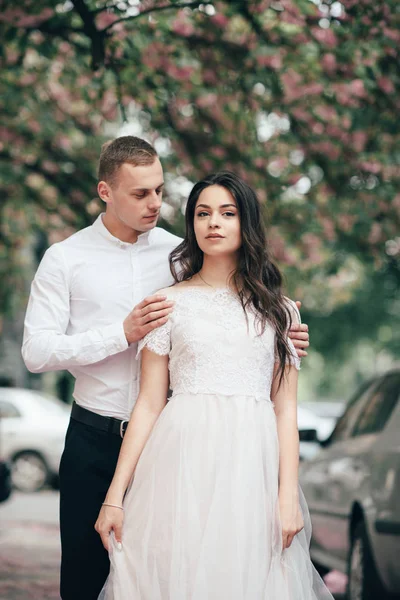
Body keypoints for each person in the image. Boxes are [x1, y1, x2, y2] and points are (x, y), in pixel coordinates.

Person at [22, 137, 309, 600]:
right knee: (86, 577)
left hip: (176, 449)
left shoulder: (181, 253)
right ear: (105, 191)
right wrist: (122, 333)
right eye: (140, 194)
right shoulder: (66, 258)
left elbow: (234, 314)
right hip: (96, 436)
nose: (155, 203)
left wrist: (282, 332)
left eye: (159, 190)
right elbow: (35, 352)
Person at [95, 171, 331, 600]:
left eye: (228, 212)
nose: (213, 223)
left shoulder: (280, 312)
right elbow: (148, 404)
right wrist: (115, 495)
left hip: (251, 468)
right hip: (179, 464)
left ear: (247, 223)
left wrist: (287, 496)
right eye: (203, 213)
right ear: (192, 224)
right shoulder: (167, 304)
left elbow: (286, 410)